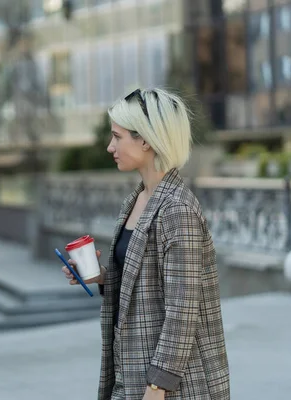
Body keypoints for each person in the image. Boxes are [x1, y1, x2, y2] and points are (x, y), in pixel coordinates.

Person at [62, 88, 230, 400]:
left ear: (146, 140)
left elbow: (183, 308)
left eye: (117, 136)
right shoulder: (137, 199)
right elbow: (144, 278)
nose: (110, 146)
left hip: (176, 386)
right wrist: (101, 277)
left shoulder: (178, 208)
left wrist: (158, 386)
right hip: (131, 372)